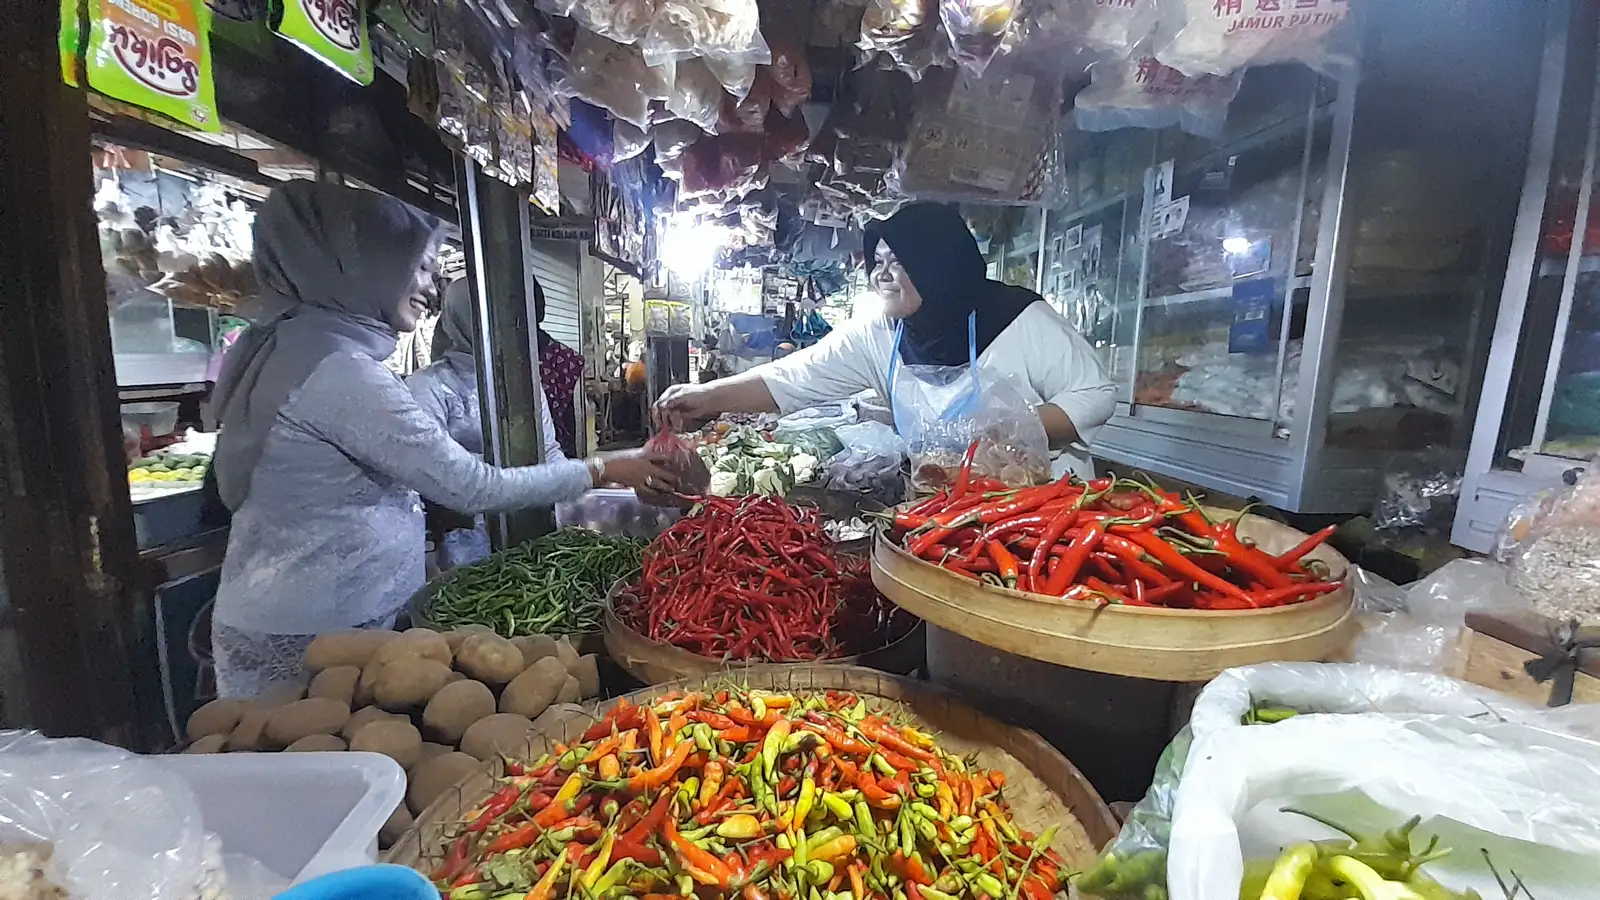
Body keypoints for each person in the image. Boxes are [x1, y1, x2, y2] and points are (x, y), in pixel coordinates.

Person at [208, 181, 681, 698]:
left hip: (326, 610)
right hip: (316, 626)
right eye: (419, 267)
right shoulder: (339, 372)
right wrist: (604, 468)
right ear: (361, 266)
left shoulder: (299, 351)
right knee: (316, 760)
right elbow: (469, 487)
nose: (430, 288)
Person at [654, 202, 1117, 479]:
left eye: (898, 261)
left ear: (939, 266)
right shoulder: (880, 333)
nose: (881, 274)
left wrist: (1009, 432)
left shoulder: (1020, 318)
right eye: (877, 260)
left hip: (1044, 510)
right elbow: (795, 378)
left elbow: (1095, 395)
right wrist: (707, 396)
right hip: (942, 506)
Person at [409, 279, 569, 569]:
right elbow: (430, 478)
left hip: (527, 531)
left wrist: (571, 495)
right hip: (460, 546)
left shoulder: (524, 384)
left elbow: (548, 448)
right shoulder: (428, 388)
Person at [534, 278, 586, 457]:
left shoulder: (564, 359)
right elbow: (568, 421)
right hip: (558, 455)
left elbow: (567, 419)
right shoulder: (565, 358)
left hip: (552, 456)